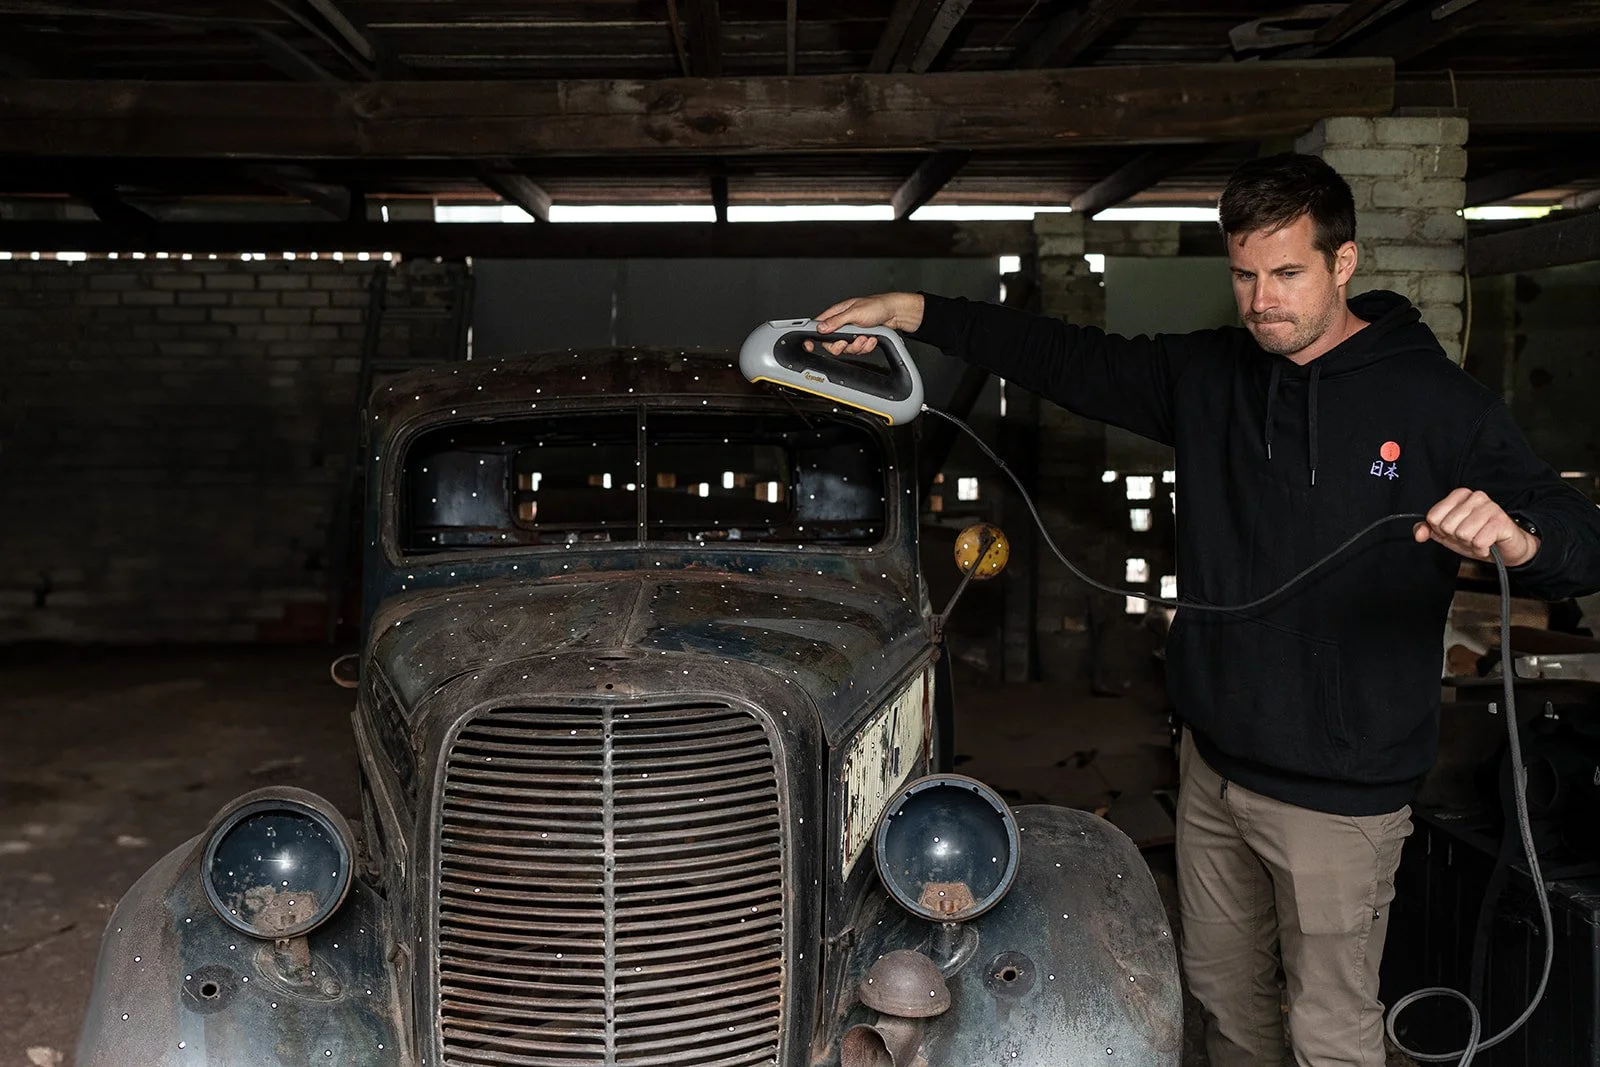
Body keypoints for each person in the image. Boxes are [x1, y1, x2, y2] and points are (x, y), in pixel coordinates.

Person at [808, 153, 1600, 1067]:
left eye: (1288, 273)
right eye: (1245, 273)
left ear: (1344, 264)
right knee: (1225, 1011)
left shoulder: (1434, 403)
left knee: (1329, 1031)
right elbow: (1065, 357)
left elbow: (1580, 536)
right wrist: (915, 311)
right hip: (1215, 765)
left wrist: (1521, 539)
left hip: (1339, 798)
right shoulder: (1212, 376)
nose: (1262, 300)